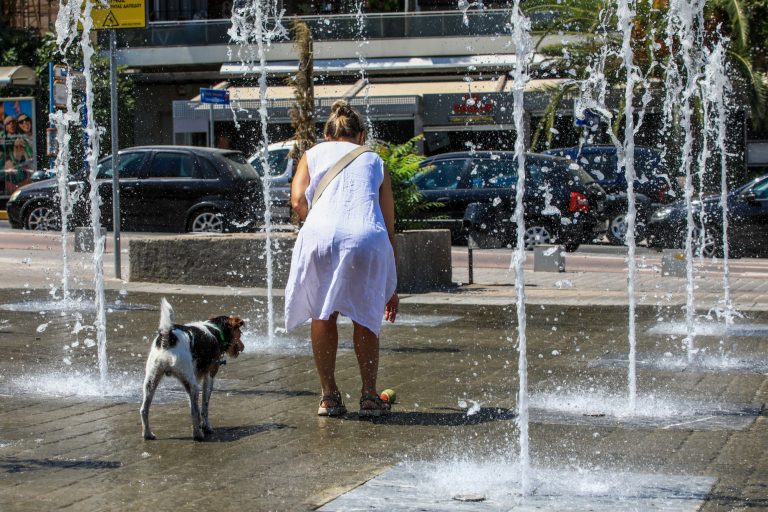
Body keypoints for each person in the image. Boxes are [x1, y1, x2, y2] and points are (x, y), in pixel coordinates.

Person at [285, 100, 399, 418]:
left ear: (326, 134)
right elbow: (388, 226)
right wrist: (392, 284)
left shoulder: (312, 154)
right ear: (361, 135)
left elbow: (296, 201)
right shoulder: (375, 160)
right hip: (368, 240)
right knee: (365, 315)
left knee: (323, 314)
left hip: (318, 237)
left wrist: (321, 223)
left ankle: (329, 397)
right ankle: (368, 396)